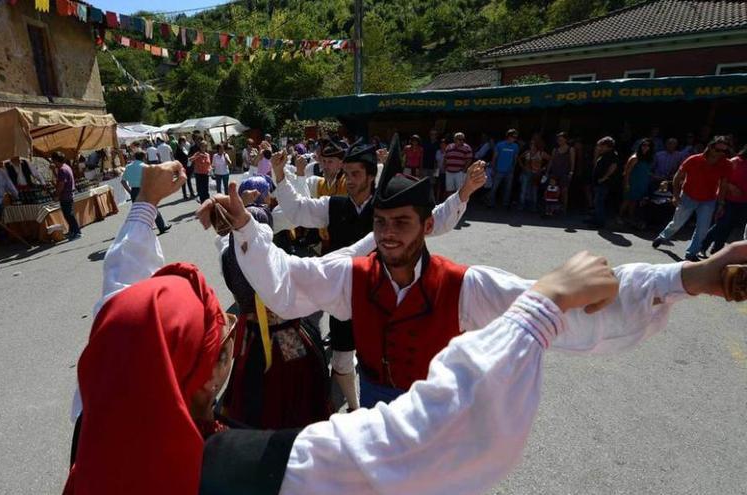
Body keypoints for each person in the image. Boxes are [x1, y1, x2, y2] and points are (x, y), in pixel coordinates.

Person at [65, 160, 747, 495]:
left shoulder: (465, 284)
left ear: (427, 226)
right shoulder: (351, 274)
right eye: (381, 224)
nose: (387, 237)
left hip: (424, 407)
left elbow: (579, 305)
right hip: (384, 403)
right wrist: (247, 224)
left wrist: (691, 277)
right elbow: (285, 283)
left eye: (401, 225)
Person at [270, 136, 486, 408]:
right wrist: (280, 174)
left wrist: (464, 191)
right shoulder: (333, 205)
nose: (348, 179)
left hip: (388, 295)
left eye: (356, 174)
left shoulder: (391, 205)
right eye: (346, 173)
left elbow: (437, 219)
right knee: (341, 358)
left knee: (385, 360)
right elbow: (298, 210)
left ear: (372, 176)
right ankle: (355, 406)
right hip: (348, 293)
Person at [207, 177, 331, 429]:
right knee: (297, 379)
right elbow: (290, 213)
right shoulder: (278, 259)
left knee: (251, 382)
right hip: (286, 333)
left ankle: (254, 426)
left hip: (249, 333)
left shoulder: (225, 255)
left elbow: (223, 236)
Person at [652, 136, 734, 261]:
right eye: (718, 150)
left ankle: (691, 253)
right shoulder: (694, 159)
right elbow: (677, 177)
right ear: (711, 147)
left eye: (725, 151)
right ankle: (663, 236)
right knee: (677, 222)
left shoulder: (726, 164)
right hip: (688, 196)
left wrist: (721, 203)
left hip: (709, 199)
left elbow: (723, 184)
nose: (721, 154)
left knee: (703, 228)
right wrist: (675, 195)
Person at [702, 144, 747, 255]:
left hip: (743, 201)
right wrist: (731, 187)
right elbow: (721, 179)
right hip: (728, 199)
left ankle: (716, 250)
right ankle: (702, 245)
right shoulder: (735, 161)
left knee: (730, 226)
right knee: (722, 224)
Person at [121, 151, 170, 235]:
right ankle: (161, 227)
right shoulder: (146, 167)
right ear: (143, 157)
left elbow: (123, 181)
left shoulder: (128, 167)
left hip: (134, 191)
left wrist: (130, 191)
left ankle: (141, 231)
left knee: (138, 212)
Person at [617, 138, 653, 229]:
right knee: (626, 200)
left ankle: (630, 218)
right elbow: (627, 172)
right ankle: (619, 216)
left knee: (634, 201)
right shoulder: (635, 157)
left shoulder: (648, 158)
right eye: (643, 145)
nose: (645, 147)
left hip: (642, 182)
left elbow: (647, 171)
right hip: (632, 182)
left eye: (648, 145)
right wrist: (626, 184)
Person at [586, 137, 619, 228]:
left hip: (604, 183)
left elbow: (613, 167)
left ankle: (599, 222)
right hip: (598, 181)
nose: (600, 148)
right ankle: (595, 218)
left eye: (602, 146)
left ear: (608, 146)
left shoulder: (612, 155)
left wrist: (604, 178)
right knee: (596, 201)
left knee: (599, 202)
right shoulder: (604, 154)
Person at [51, 152, 82, 241]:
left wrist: (56, 194)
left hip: (66, 194)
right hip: (68, 193)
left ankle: (77, 232)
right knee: (68, 214)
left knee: (69, 214)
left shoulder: (62, 170)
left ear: (56, 160)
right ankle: (72, 231)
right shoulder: (66, 167)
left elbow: (61, 184)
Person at [487, 129, 520, 208]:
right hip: (498, 170)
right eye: (513, 137)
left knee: (508, 189)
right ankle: (490, 203)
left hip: (509, 171)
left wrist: (513, 168)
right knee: (494, 187)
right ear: (508, 136)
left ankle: (505, 204)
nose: (514, 139)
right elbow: (495, 157)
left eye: (515, 137)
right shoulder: (500, 145)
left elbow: (515, 158)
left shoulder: (515, 146)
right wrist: (493, 168)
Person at [546, 132, 575, 213]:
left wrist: (571, 172)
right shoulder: (555, 149)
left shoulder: (570, 149)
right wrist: (547, 171)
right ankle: (552, 208)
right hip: (555, 172)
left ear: (565, 140)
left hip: (565, 172)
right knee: (553, 190)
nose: (559, 141)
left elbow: (572, 162)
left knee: (564, 191)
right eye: (558, 139)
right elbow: (551, 161)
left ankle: (564, 208)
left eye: (561, 139)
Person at [520, 138, 548, 212]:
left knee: (534, 190)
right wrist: (523, 167)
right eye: (531, 144)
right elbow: (519, 158)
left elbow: (550, 159)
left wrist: (543, 168)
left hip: (536, 174)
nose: (531, 146)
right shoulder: (527, 152)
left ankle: (533, 206)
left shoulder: (541, 153)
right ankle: (522, 205)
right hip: (527, 172)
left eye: (533, 144)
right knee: (524, 189)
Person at [443, 132, 473, 200]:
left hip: (459, 172)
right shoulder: (449, 146)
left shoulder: (467, 147)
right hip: (449, 172)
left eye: (463, 139)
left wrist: (464, 170)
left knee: (460, 191)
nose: (461, 141)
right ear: (455, 139)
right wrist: (445, 167)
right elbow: (445, 157)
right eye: (459, 139)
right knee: (449, 190)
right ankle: (450, 205)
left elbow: (469, 159)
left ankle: (458, 207)